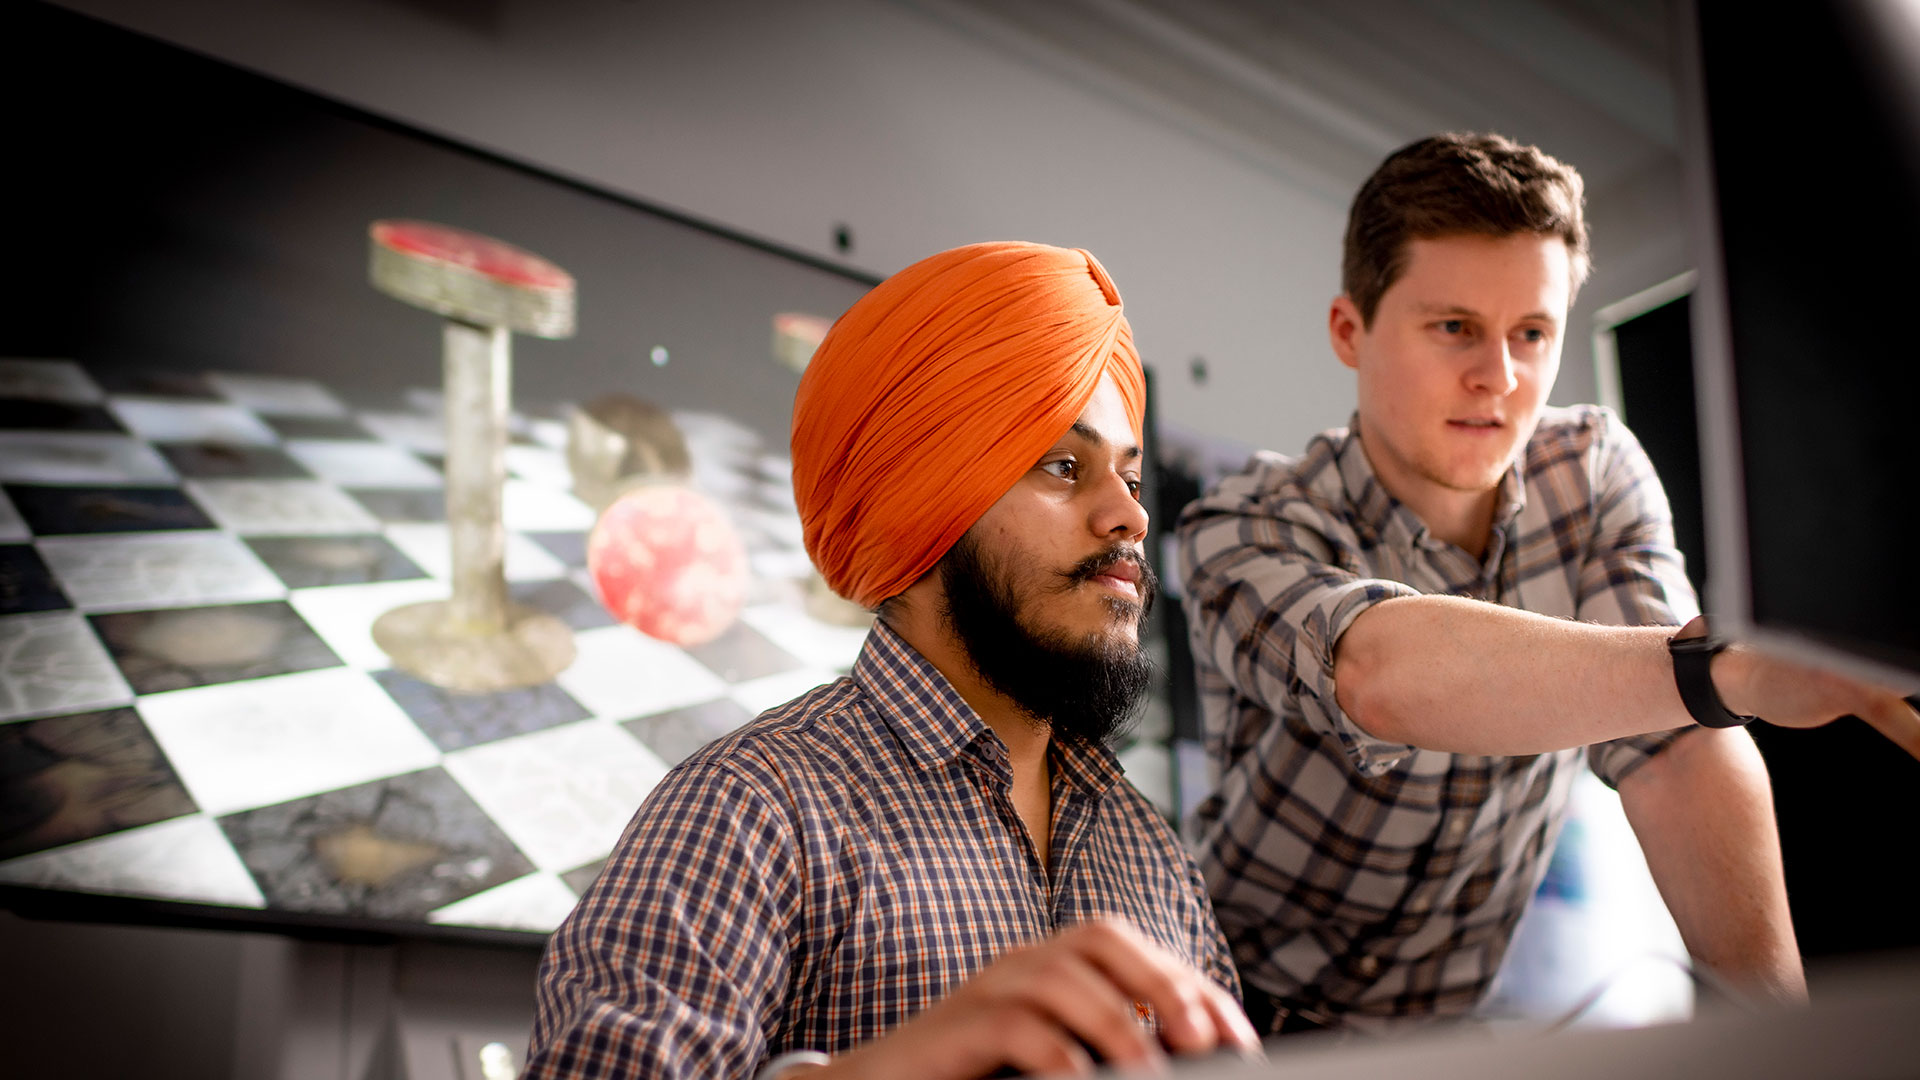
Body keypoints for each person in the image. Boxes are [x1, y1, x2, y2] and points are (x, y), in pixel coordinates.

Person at [1176, 132, 1920, 1034]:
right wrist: (1722, 673)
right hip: (1215, 1015)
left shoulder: (1593, 469)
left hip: (1435, 1040)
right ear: (1350, 330)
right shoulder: (1242, 520)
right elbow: (1373, 674)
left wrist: (1787, 1043)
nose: (1499, 377)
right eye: (1453, 328)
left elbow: (1675, 750)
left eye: (1532, 333)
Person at [527, 241, 1257, 1080]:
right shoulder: (756, 809)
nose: (1129, 516)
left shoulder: (1150, 853)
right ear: (927, 503)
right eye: (1065, 465)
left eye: (1130, 478)